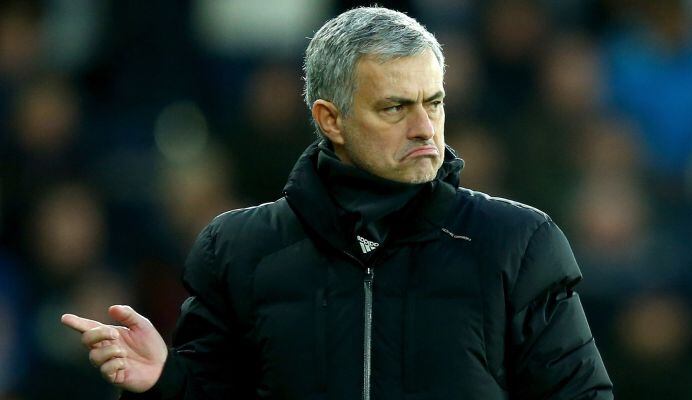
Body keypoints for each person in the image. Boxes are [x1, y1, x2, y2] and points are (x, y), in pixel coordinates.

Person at [61, 7, 613, 399]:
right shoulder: (240, 249)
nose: (426, 128)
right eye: (396, 107)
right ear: (330, 120)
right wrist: (164, 382)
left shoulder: (519, 243)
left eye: (434, 102)